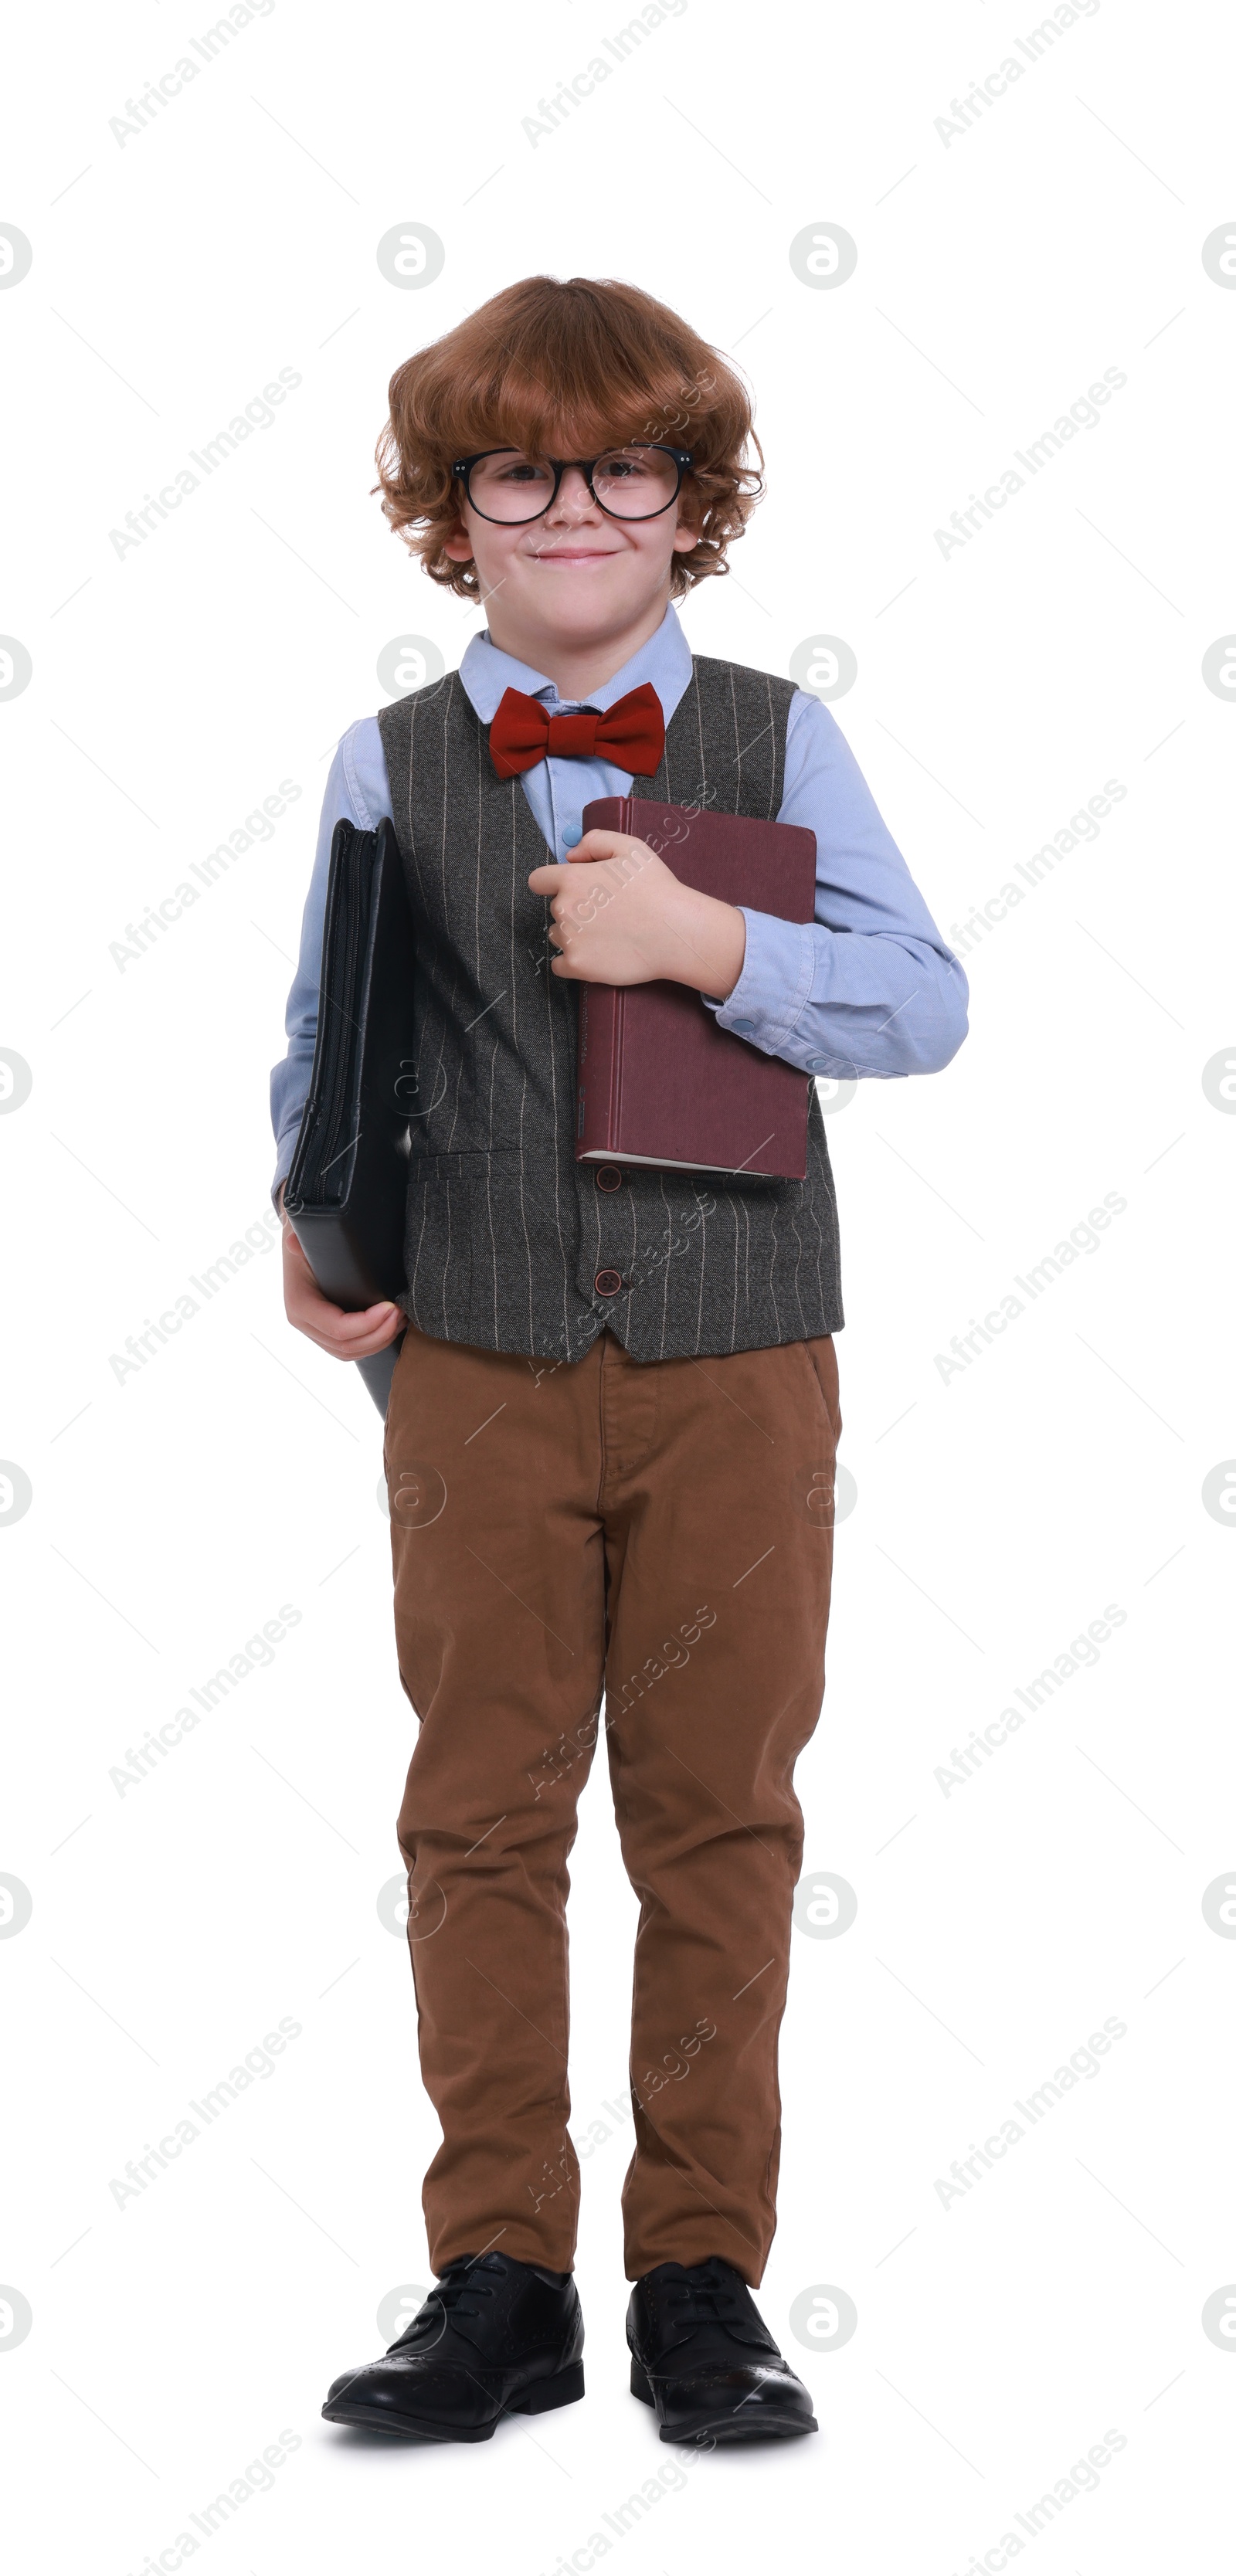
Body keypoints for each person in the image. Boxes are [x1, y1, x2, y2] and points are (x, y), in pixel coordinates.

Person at [270, 273, 968, 2447]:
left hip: (739, 1355)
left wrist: (713, 943)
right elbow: (327, 1034)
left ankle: (699, 2278)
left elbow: (926, 1002)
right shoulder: (387, 764)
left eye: (622, 467)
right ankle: (498, 2275)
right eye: (517, 470)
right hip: (466, 1354)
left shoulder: (777, 734)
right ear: (449, 511)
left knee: (720, 1819)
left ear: (690, 507)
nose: (572, 506)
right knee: (477, 1814)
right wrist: (308, 1227)